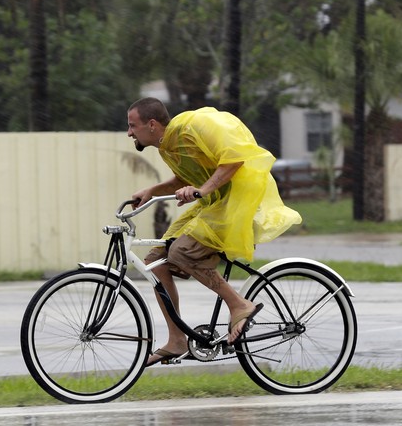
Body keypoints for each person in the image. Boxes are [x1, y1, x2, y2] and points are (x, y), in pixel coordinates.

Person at [126, 97, 302, 367]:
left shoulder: (192, 127)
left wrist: (203, 190)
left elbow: (234, 159)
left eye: (132, 125)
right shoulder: (166, 147)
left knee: (182, 251)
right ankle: (176, 340)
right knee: (155, 262)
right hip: (214, 204)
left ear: (151, 125)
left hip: (238, 201)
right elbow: (186, 177)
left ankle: (239, 305)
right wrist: (152, 191)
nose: (129, 132)